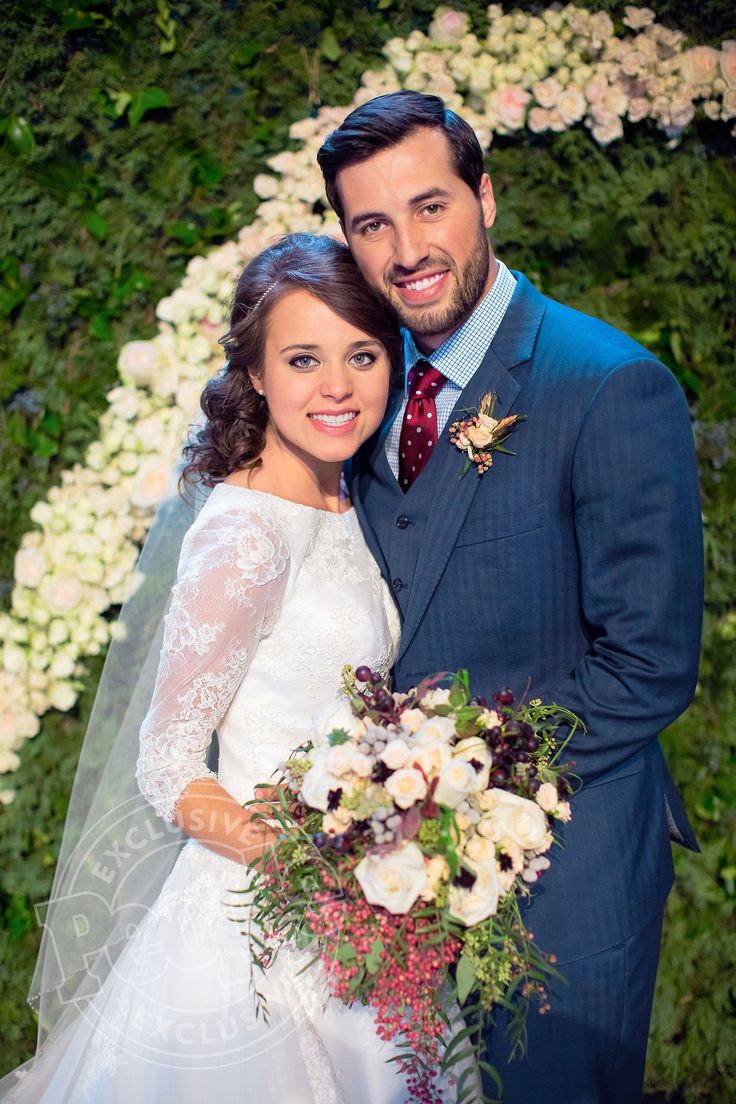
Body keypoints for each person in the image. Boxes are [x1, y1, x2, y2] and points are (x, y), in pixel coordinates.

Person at [317, 90, 704, 1103]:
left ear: (484, 198)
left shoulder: (605, 383)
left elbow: (648, 665)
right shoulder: (353, 389)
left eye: (430, 206)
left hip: (563, 869)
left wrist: (465, 782)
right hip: (387, 879)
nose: (407, 247)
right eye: (372, 225)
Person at [0, 233, 450, 1102]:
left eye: (362, 355)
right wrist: (314, 877)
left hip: (360, 904)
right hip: (264, 920)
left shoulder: (343, 493)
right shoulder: (245, 533)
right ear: (254, 373)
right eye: (303, 359)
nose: (337, 387)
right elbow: (168, 760)